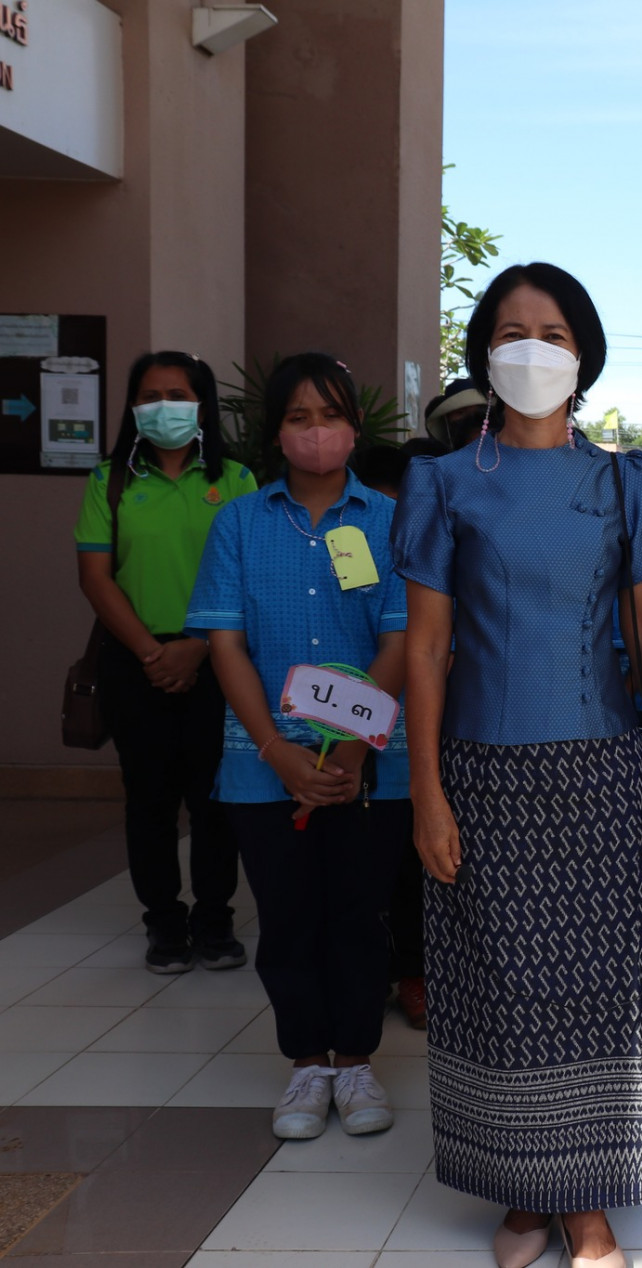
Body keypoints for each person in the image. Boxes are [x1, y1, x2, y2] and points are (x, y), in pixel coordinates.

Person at [393, 262, 642, 1268]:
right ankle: (525, 1191)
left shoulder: (622, 477)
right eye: (512, 330)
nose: (532, 348)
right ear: (483, 351)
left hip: (601, 764)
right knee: (502, 984)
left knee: (600, 985)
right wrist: (425, 787)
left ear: (584, 354)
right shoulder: (440, 482)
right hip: (481, 770)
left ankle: (588, 1202)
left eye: (553, 331)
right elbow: (426, 648)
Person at [185, 353, 409, 1141]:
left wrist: (348, 751)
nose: (318, 433)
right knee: (285, 916)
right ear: (273, 431)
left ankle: (355, 1062)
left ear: (357, 426)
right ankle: (306, 1065)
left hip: (369, 767)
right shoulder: (240, 522)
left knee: (356, 912)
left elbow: (400, 636)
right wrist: (279, 754)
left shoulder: (387, 522)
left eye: (332, 416)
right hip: (260, 765)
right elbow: (225, 643)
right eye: (299, 418)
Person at [75, 351, 257, 974]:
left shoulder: (236, 479)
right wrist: (155, 652)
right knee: (148, 799)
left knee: (215, 799)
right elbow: (96, 578)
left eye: (176, 394)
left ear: (202, 402)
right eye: (149, 395)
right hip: (138, 659)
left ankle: (215, 922)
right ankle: (164, 924)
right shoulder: (110, 481)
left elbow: (248, 576)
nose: (162, 406)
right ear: (131, 406)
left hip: (220, 656)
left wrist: (200, 646)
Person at [357, 436, 445, 1030]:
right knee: (369, 877)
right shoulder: (351, 549)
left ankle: (417, 973)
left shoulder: (443, 544)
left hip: (422, 742)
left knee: (418, 875)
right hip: (357, 736)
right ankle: (375, 974)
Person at [422, 377, 488, 449]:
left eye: (478, 413)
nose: (471, 420)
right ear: (447, 419)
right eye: (460, 412)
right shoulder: (438, 459)